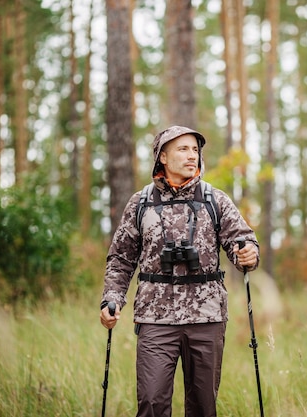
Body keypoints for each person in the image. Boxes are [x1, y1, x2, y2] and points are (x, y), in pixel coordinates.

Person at [99, 125, 260, 417]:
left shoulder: (215, 200)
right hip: (154, 318)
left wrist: (248, 252)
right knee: (151, 403)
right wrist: (112, 298)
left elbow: (243, 243)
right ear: (162, 156)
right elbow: (121, 258)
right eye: (183, 149)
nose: (192, 156)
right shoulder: (141, 203)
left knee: (202, 407)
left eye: (195, 150)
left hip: (207, 317)